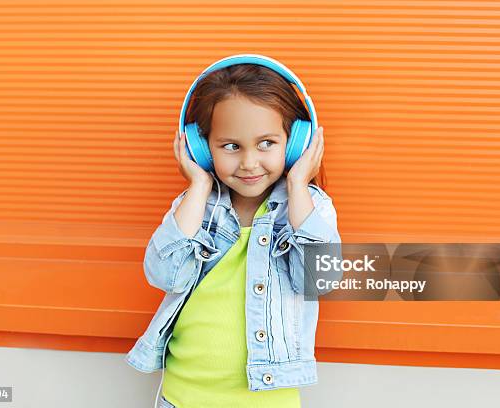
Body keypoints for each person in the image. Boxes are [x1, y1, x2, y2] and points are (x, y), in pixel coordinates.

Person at [125, 55, 341, 408]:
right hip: (182, 395)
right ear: (201, 148)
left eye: (267, 143)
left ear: (297, 141)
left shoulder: (308, 208)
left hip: (266, 398)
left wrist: (299, 183)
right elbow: (166, 276)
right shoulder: (195, 206)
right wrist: (197, 185)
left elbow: (319, 281)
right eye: (231, 146)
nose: (249, 162)